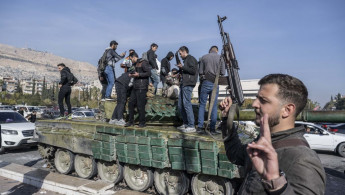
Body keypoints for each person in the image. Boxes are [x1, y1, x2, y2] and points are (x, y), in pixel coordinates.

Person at [219, 74, 326, 194]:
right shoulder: (265, 141)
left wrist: (275, 183)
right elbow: (235, 155)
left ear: (287, 110)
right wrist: (226, 119)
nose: (254, 104)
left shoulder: (302, 158)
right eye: (257, 98)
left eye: (263, 100)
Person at [197, 46, 225, 135]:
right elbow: (223, 72)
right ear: (217, 50)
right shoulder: (220, 58)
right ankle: (212, 129)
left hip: (205, 82)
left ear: (210, 50)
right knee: (213, 105)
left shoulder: (204, 57)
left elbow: (200, 72)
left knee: (202, 104)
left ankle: (200, 127)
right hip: (215, 83)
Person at [109, 52, 138, 126]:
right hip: (122, 84)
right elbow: (131, 81)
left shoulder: (133, 67)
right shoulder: (136, 69)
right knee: (122, 101)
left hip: (119, 82)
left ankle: (113, 119)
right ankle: (119, 119)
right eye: (136, 58)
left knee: (119, 102)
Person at [125, 54, 151, 128]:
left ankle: (142, 123)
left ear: (134, 57)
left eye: (131, 59)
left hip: (142, 87)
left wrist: (138, 74)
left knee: (140, 105)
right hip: (135, 86)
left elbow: (148, 73)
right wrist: (132, 75)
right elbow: (134, 73)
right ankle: (131, 121)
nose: (131, 60)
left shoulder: (144, 62)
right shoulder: (134, 64)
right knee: (131, 103)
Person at [176, 46, 198, 133]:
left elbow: (193, 71)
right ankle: (185, 123)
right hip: (184, 83)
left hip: (188, 84)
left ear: (184, 51)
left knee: (186, 104)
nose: (180, 56)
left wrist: (182, 67)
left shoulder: (191, 59)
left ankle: (191, 125)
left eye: (180, 53)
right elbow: (187, 70)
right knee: (180, 105)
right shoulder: (187, 60)